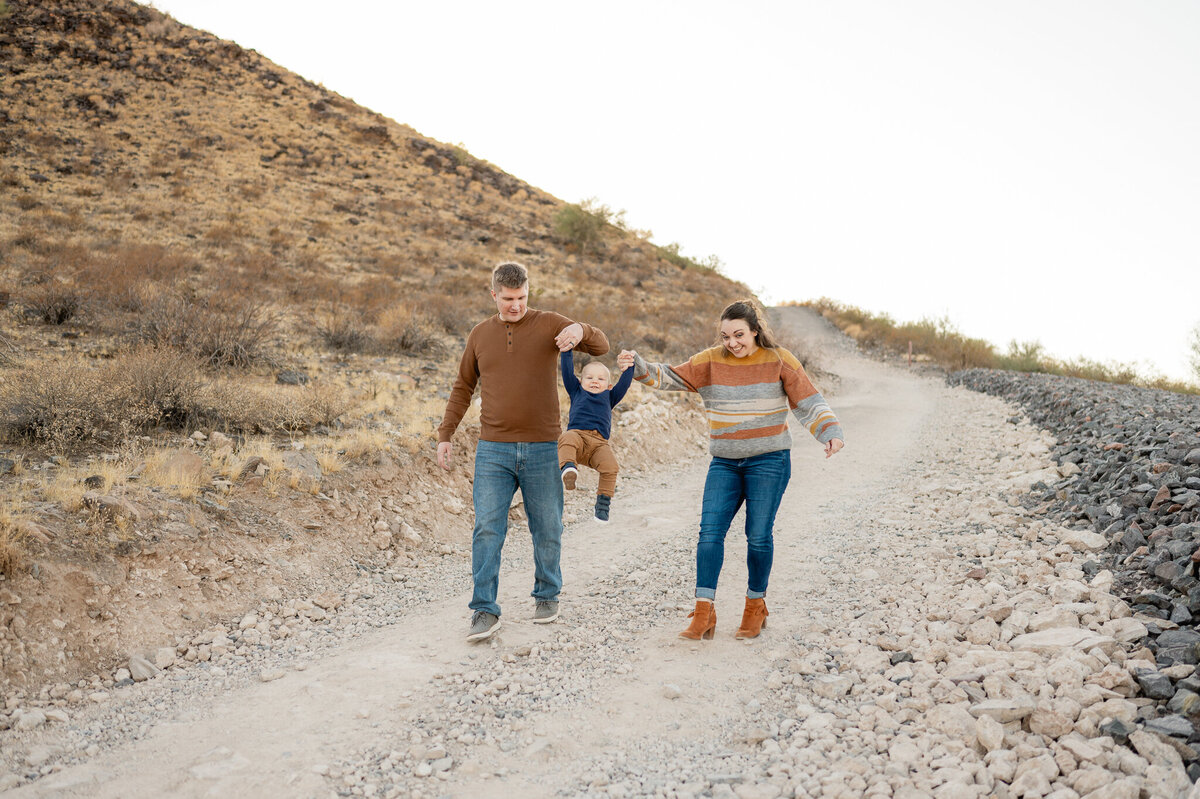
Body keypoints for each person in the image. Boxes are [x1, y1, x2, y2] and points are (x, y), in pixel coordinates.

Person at [618, 299, 843, 641]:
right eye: (725, 337)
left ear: (755, 331)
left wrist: (830, 432)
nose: (732, 343)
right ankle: (704, 611)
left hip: (769, 459)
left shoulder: (779, 359)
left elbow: (808, 399)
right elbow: (669, 377)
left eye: (739, 335)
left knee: (757, 535)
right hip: (724, 462)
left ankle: (755, 607)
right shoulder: (709, 361)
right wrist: (636, 364)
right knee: (709, 532)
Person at [437, 262, 609, 642]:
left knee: (547, 527)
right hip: (492, 449)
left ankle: (547, 595)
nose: (515, 306)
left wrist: (581, 329)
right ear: (493, 294)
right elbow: (463, 386)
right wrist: (446, 433)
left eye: (522, 298)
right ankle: (484, 610)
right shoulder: (480, 334)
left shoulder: (549, 324)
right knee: (486, 529)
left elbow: (601, 346)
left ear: (528, 292)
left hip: (544, 447)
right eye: (508, 299)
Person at [558, 351, 634, 523]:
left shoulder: (610, 396)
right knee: (566, 438)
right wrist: (566, 351)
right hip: (578, 436)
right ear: (580, 381)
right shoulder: (576, 391)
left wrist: (629, 366)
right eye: (589, 378)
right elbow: (567, 371)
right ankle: (569, 468)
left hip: (599, 444)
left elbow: (625, 384)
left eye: (600, 379)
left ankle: (602, 506)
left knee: (611, 467)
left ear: (608, 385)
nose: (594, 381)